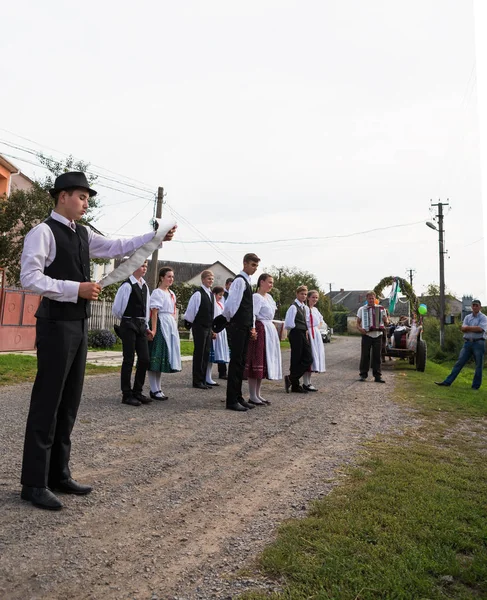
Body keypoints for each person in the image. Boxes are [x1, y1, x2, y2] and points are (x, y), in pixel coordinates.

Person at [19, 171, 176, 511]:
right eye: (81, 196)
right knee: (48, 401)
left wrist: (154, 236)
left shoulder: (84, 234)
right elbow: (30, 279)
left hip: (77, 323)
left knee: (70, 401)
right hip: (55, 324)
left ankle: (58, 473)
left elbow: (118, 247)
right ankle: (33, 483)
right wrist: (76, 289)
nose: (86, 202)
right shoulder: (42, 232)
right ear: (62, 196)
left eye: (88, 197)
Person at [222, 253, 261, 411]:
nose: (255, 268)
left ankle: (238, 396)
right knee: (236, 362)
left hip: (244, 326)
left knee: (241, 363)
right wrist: (231, 321)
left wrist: (251, 325)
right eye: (252, 265)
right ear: (245, 263)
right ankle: (231, 400)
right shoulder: (239, 280)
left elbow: (248, 307)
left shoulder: (248, 281)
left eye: (256, 266)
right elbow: (232, 304)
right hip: (237, 325)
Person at [112, 260, 152, 406]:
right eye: (142, 266)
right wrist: (127, 321)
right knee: (128, 359)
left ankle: (137, 391)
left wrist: (145, 324)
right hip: (129, 323)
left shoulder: (145, 286)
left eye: (146, 266)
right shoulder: (127, 285)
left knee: (145, 359)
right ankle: (126, 394)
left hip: (141, 324)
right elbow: (117, 309)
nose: (145, 269)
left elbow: (146, 307)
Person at [244, 273, 282, 405]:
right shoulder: (256, 297)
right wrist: (253, 329)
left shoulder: (269, 297)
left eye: (272, 283)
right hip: (260, 329)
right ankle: (252, 395)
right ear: (261, 282)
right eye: (269, 282)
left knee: (264, 362)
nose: (271, 285)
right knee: (256, 360)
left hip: (268, 330)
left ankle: (258, 394)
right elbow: (252, 314)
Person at [435, 299, 487, 390]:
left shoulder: (483, 318)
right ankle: (447, 382)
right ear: (471, 306)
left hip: (479, 343)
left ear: (480, 307)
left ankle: (475, 387)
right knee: (459, 363)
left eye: (476, 305)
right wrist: (471, 328)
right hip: (467, 343)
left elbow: (480, 329)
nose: (475, 307)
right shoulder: (467, 317)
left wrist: (468, 328)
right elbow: (462, 329)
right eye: (473, 305)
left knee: (478, 365)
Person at [147, 267, 182, 399]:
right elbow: (154, 312)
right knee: (155, 357)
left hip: (169, 324)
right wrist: (154, 329)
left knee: (161, 359)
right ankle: (153, 388)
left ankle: (158, 388)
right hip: (161, 323)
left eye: (172, 277)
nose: (171, 279)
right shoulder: (157, 292)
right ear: (162, 277)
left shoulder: (171, 293)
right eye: (168, 276)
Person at [184, 270, 215, 390]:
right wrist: (189, 323)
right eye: (208, 279)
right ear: (203, 280)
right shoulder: (198, 294)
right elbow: (192, 310)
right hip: (199, 327)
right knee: (199, 353)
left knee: (206, 353)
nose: (210, 281)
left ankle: (203, 379)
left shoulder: (211, 294)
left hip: (208, 327)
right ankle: (197, 380)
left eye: (212, 279)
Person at [284, 286, 314, 393]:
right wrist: (296, 329)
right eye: (302, 294)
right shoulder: (293, 307)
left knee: (308, 358)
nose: (304, 296)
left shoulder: (304, 307)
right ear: (297, 294)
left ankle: (292, 378)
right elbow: (288, 323)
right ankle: (295, 385)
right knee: (296, 358)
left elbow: (306, 322)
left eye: (305, 294)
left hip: (302, 333)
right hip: (296, 333)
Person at [356, 291, 389, 383]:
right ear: (366, 299)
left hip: (378, 335)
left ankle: (377, 376)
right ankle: (363, 375)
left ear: (375, 299)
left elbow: (386, 323)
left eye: (372, 298)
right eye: (369, 298)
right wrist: (360, 329)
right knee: (365, 355)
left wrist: (386, 320)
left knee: (377, 356)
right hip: (366, 335)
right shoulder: (362, 309)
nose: (371, 300)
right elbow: (357, 323)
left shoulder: (381, 309)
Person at [206, 286, 230, 386]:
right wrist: (213, 330)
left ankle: (208, 376)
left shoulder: (220, 304)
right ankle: (206, 376)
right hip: (214, 331)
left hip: (221, 332)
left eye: (222, 295)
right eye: (219, 295)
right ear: (214, 294)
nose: (221, 297)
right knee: (209, 356)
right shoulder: (213, 304)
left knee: (213, 357)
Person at [304, 289, 326, 392]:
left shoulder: (316, 310)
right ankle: (305, 382)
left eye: (316, 297)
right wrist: (308, 329)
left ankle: (309, 381)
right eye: (313, 297)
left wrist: (316, 328)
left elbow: (321, 321)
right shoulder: (305, 309)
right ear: (308, 298)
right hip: (308, 333)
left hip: (315, 334)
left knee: (315, 356)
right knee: (309, 356)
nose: (315, 299)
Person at [218, 277, 234, 380]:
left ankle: (232, 371)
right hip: (225, 322)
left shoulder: (234, 295)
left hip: (232, 323)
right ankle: (222, 371)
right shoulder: (223, 295)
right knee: (223, 346)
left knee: (232, 347)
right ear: (227, 285)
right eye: (231, 285)